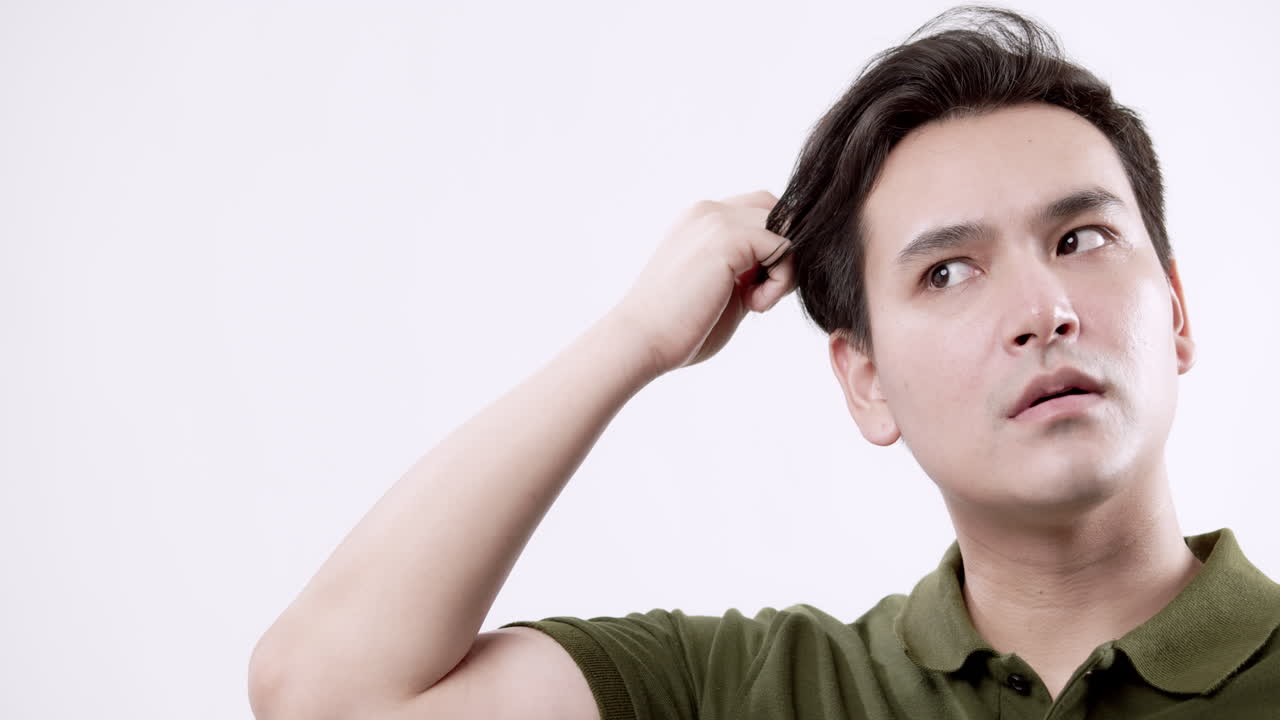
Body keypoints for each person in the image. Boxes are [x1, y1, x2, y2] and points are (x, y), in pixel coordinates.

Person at [247, 5, 1280, 719]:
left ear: (1176, 311)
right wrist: (636, 339)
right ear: (863, 382)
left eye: (1079, 241)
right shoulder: (757, 689)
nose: (1040, 310)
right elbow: (328, 693)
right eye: (946, 273)